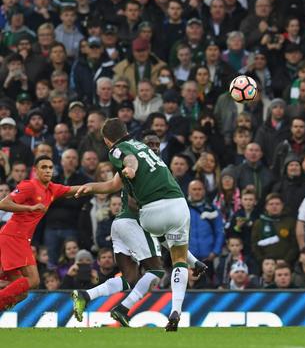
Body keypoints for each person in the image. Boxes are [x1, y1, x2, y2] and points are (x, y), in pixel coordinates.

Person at [74, 119, 190, 332]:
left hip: (120, 224)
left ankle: (86, 295)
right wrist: (130, 168)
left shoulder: (124, 153)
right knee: (157, 269)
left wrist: (91, 186)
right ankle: (135, 309)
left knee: (130, 278)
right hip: (140, 220)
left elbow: (112, 183)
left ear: (107, 140)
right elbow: (129, 161)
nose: (154, 148)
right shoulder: (139, 153)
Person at [0, 155, 86, 311]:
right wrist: (29, 208)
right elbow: (3, 203)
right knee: (33, 281)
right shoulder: (29, 185)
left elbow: (78, 189)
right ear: (35, 171)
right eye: (44, 167)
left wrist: (112, 184)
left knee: (22, 293)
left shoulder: (52, 189)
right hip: (14, 236)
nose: (48, 170)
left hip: (18, 238)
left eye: (50, 168)